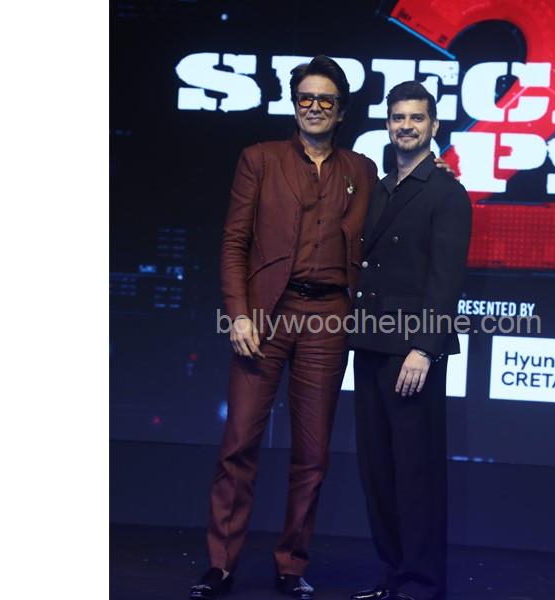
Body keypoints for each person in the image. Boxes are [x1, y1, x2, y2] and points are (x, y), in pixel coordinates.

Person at [189, 55, 377, 600]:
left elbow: (386, 228)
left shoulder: (361, 170)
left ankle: (291, 565)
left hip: (328, 318)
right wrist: (239, 312)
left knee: (312, 455)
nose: (314, 107)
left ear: (341, 111)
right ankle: (221, 565)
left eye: (325, 100)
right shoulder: (261, 159)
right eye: (305, 98)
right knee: (238, 444)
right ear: (294, 105)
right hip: (265, 317)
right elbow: (234, 242)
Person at [348, 82, 472, 600]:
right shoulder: (379, 188)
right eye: (398, 117)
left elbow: (446, 280)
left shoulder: (447, 192)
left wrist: (424, 348)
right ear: (387, 124)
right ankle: (394, 574)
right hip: (369, 344)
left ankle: (420, 584)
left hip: (412, 353)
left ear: (433, 126)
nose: (406, 126)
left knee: (415, 473)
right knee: (378, 471)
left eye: (416, 118)